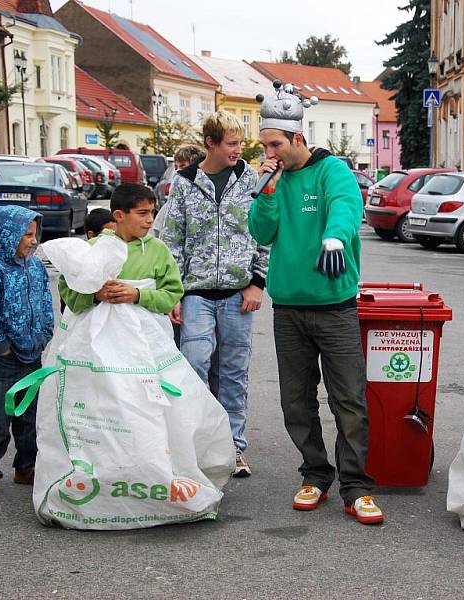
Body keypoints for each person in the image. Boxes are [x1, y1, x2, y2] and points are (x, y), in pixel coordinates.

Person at [248, 82, 383, 525]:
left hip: (334, 306)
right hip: (288, 307)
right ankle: (315, 474)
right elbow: (261, 233)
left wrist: (334, 235)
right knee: (296, 401)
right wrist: (266, 192)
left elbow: (346, 205)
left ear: (297, 139)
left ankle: (356, 486)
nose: (269, 152)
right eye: (264, 144)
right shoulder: (275, 179)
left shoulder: (332, 171)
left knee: (349, 399)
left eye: (275, 144)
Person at [161, 112, 267, 478]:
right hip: (196, 293)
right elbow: (171, 240)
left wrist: (258, 282)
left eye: (240, 143)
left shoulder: (250, 179)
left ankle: (234, 447)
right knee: (194, 363)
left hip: (240, 293)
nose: (239, 150)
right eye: (232, 143)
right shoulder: (185, 182)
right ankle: (199, 443)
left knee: (234, 372)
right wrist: (171, 293)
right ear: (211, 143)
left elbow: (266, 232)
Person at [0, 206, 54, 498]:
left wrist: (45, 333)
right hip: (3, 359)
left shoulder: (36, 267)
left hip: (32, 354)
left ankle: (26, 465)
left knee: (29, 415)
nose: (33, 240)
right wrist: (0, 345)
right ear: (9, 236)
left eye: (34, 234)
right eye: (26, 235)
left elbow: (45, 302)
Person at [59, 183, 183, 317]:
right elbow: (68, 292)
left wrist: (138, 295)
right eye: (142, 213)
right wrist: (95, 296)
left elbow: (172, 295)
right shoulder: (93, 248)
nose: (150, 220)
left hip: (145, 334)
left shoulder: (158, 250)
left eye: (152, 212)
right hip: (98, 334)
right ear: (119, 215)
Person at [151, 145, 206, 238]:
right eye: (176, 167)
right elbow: (159, 228)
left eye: (182, 165)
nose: (178, 171)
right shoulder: (176, 190)